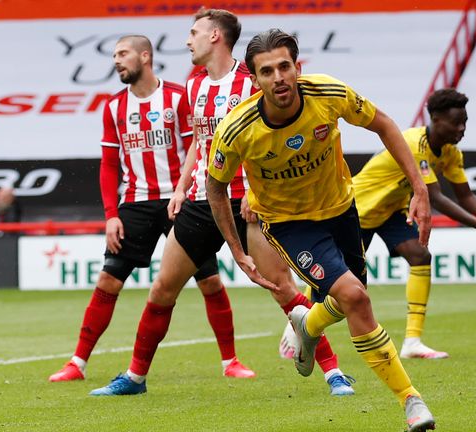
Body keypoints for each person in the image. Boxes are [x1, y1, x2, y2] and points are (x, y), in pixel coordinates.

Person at [89, 10, 354, 397]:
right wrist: (181, 187)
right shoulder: (194, 84)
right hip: (201, 200)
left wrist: (253, 190)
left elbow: (268, 137)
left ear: (215, 36)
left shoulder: (251, 83)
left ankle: (334, 373)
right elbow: (200, 140)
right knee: (162, 289)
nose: (187, 40)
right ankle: (135, 377)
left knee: (281, 287)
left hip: (247, 203)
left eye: (193, 32)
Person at [207, 29, 436, 432]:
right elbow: (215, 186)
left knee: (351, 299)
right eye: (266, 71)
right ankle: (411, 402)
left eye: (284, 66)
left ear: (297, 67)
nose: (278, 77)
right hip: (290, 224)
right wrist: (237, 249)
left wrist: (419, 187)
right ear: (254, 79)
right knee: (355, 297)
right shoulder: (237, 129)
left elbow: (383, 124)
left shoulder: (328, 93)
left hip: (342, 208)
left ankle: (307, 324)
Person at [48, 34, 256, 384]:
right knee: (109, 279)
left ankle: (230, 361)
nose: (116, 60)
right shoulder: (114, 107)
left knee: (209, 281)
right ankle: (78, 363)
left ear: (145, 56)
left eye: (123, 53)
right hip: (136, 202)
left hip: (181, 201)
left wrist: (184, 190)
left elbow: (199, 147)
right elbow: (109, 164)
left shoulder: (178, 97)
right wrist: (111, 214)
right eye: (114, 54)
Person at [352, 88, 476, 359]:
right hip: (357, 210)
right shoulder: (414, 143)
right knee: (345, 279)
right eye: (456, 123)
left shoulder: (450, 153)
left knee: (420, 255)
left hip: (391, 210)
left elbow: (466, 196)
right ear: (436, 119)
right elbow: (435, 197)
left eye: (465, 122)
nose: (461, 129)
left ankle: (412, 342)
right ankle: (299, 325)